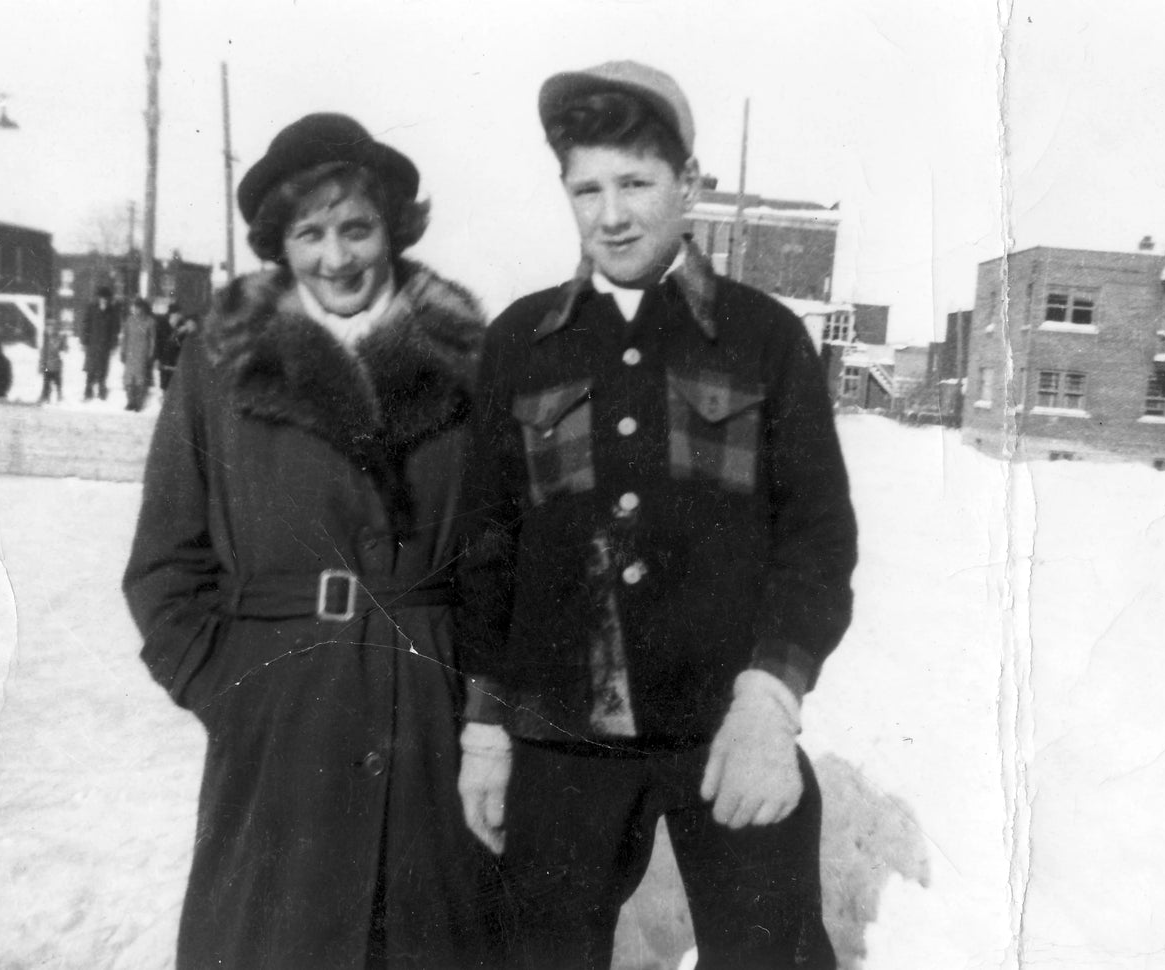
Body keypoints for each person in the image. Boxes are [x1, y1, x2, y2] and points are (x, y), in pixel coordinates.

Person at [454, 61, 858, 970]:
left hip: (728, 731)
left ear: (688, 185)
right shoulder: (522, 342)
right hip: (563, 738)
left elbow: (817, 539)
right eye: (586, 188)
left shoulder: (762, 338)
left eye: (635, 183)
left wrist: (770, 701)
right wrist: (485, 728)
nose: (612, 213)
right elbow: (487, 551)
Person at [123, 112, 504, 969]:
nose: (336, 258)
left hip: (428, 727)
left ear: (392, 230)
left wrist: (479, 717)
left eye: (357, 228)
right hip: (280, 728)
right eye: (310, 233)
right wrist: (231, 691)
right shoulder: (218, 364)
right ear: (279, 243)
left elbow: (501, 564)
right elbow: (163, 564)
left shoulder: (471, 364)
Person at [81, 285, 121, 400]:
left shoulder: (112, 311)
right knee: (90, 368)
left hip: (105, 346)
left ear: (109, 299)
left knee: (103, 369)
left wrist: (114, 344)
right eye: (102, 298)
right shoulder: (91, 308)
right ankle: (88, 390)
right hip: (92, 344)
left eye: (106, 298)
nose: (103, 300)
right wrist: (84, 341)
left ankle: (101, 390)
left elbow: (115, 329)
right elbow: (86, 324)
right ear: (98, 298)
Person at [119, 297, 156, 411]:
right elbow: (124, 337)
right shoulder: (129, 320)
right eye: (135, 307)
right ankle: (130, 402)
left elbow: (152, 339)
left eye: (138, 307)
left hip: (142, 354)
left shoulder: (150, 321)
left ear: (143, 308)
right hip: (130, 353)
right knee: (129, 379)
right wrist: (122, 351)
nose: (136, 309)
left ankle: (138, 403)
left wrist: (150, 353)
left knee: (140, 379)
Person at [39, 318, 67, 403]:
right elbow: (43, 354)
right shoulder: (46, 339)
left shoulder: (58, 338)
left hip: (56, 366)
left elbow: (62, 349)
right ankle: (46, 397)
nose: (50, 330)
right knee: (47, 382)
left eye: (52, 328)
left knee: (57, 382)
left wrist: (64, 341)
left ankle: (58, 397)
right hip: (47, 366)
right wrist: (41, 365)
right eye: (48, 328)